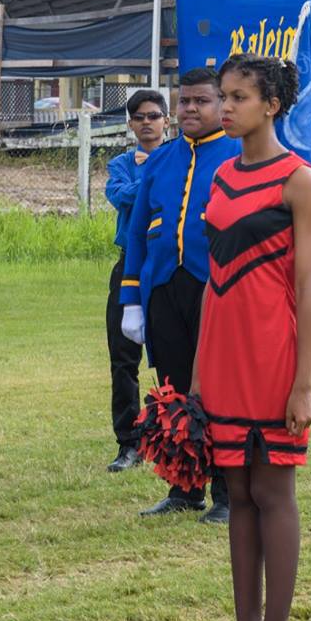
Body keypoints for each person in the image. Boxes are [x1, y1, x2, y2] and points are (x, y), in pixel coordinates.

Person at [190, 54, 311, 621]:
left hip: (272, 351)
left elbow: (306, 286)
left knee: (273, 490)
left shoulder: (299, 179)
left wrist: (303, 384)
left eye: (239, 97)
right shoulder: (219, 176)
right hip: (220, 350)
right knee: (236, 492)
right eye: (224, 96)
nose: (226, 107)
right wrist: (195, 375)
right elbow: (214, 281)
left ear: (271, 105)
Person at [119, 67, 239, 522]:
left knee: (219, 391)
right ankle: (184, 487)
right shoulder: (163, 160)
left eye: (201, 101)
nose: (190, 109)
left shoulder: (236, 155)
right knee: (172, 393)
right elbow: (136, 232)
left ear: (221, 104)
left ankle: (228, 494)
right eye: (184, 101)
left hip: (215, 289)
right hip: (164, 288)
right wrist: (131, 298)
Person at [101, 88, 167, 472]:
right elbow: (122, 196)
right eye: (140, 117)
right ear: (130, 124)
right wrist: (153, 178)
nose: (147, 122)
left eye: (154, 115)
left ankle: (168, 431)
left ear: (166, 120)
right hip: (129, 265)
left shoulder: (178, 157)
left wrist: (153, 175)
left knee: (171, 354)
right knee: (123, 357)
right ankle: (129, 442)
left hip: (166, 263)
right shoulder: (121, 163)